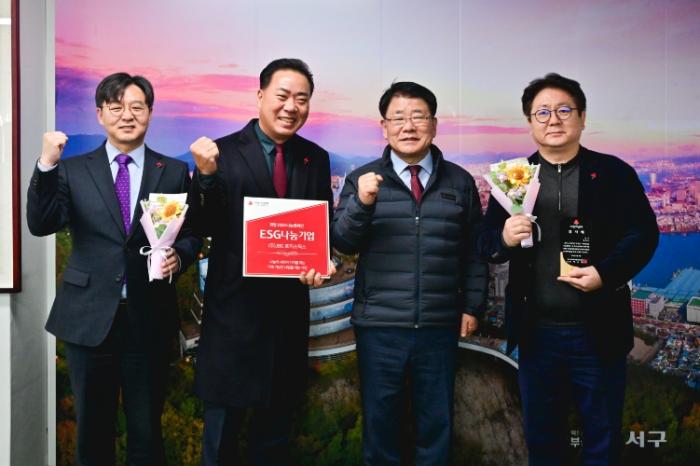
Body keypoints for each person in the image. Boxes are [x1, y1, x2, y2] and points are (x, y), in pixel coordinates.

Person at [480, 73, 659, 465]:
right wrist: (505, 237)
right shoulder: (513, 178)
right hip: (536, 335)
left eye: (564, 110)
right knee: (543, 441)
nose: (553, 120)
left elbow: (643, 234)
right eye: (542, 112)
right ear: (530, 122)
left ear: (582, 117)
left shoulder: (612, 173)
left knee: (602, 439)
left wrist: (605, 274)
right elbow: (487, 244)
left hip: (597, 332)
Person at [26, 72, 201, 466]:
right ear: (100, 114)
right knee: (93, 434)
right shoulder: (72, 169)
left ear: (150, 113)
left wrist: (180, 256)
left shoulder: (173, 170)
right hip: (89, 319)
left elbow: (190, 234)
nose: (127, 115)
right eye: (116, 107)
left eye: (137, 107)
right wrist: (46, 164)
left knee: (147, 434)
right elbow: (41, 223)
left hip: (149, 318)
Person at [331, 81, 488, 465]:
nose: (408, 126)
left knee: (435, 426)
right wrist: (363, 203)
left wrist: (473, 306)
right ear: (383, 127)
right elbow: (343, 242)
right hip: (379, 326)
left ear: (434, 124)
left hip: (438, 325)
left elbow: (474, 251)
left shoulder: (460, 182)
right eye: (398, 117)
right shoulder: (362, 179)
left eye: (418, 116)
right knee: (381, 428)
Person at [188, 58, 334, 466]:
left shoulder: (316, 158)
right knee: (221, 441)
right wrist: (205, 177)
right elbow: (202, 225)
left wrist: (322, 262)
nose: (292, 107)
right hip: (233, 320)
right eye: (283, 95)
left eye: (302, 99)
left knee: (274, 440)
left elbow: (319, 228)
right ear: (260, 96)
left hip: (287, 321)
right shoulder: (221, 153)